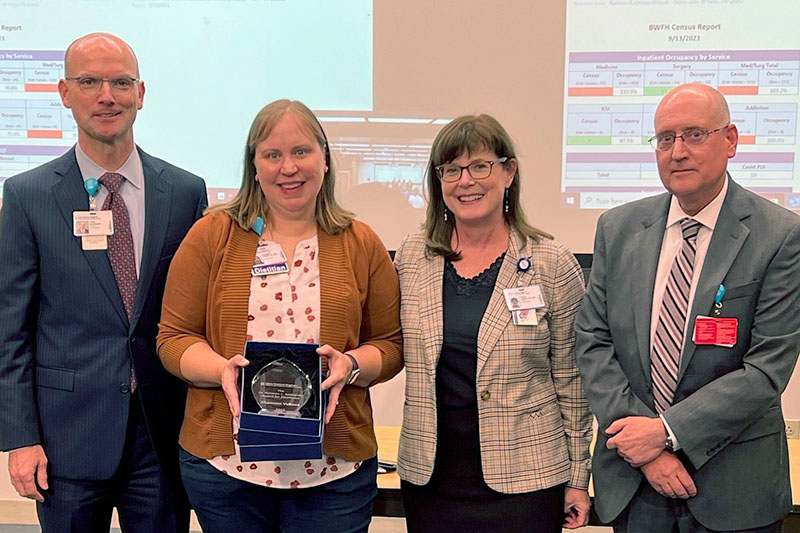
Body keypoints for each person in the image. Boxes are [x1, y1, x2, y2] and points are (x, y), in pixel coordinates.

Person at [157, 98, 403, 533]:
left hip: (334, 472)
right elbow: (173, 338)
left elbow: (391, 345)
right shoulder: (212, 235)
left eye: (301, 152)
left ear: (324, 160)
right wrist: (220, 370)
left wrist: (351, 365)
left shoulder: (360, 242)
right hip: (227, 470)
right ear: (254, 166)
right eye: (272, 155)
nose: (288, 167)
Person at [0, 33, 207, 532]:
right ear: (65, 93)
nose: (106, 95)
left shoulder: (184, 191)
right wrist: (20, 438)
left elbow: (199, 314)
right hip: (66, 441)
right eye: (89, 81)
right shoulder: (27, 197)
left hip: (162, 436)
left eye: (119, 82)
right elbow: (10, 331)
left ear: (141, 93)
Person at [575, 82, 800, 532]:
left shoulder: (779, 235)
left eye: (694, 134)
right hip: (634, 484)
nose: (678, 151)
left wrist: (665, 433)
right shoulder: (617, 229)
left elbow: (766, 369)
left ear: (731, 140)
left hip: (734, 489)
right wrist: (645, 446)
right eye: (665, 138)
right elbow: (593, 341)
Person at [395, 114, 592, 532]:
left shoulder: (551, 263)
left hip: (527, 481)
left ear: (508, 172)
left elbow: (573, 382)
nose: (466, 181)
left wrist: (578, 478)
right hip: (432, 481)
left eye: (480, 166)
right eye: (452, 169)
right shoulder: (412, 257)